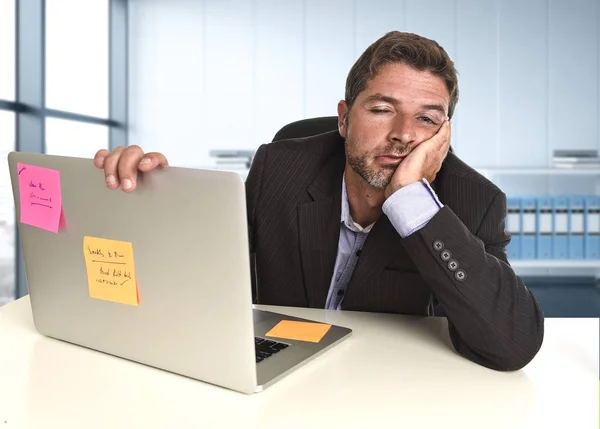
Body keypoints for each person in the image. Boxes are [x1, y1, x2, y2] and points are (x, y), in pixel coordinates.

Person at [94, 31, 544, 371]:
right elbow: (200, 269)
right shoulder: (281, 167)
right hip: (270, 368)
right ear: (345, 119)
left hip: (382, 384)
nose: (404, 134)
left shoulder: (471, 200)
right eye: (383, 109)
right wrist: (142, 204)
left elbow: (512, 344)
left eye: (426, 119)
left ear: (443, 136)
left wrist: (414, 202)